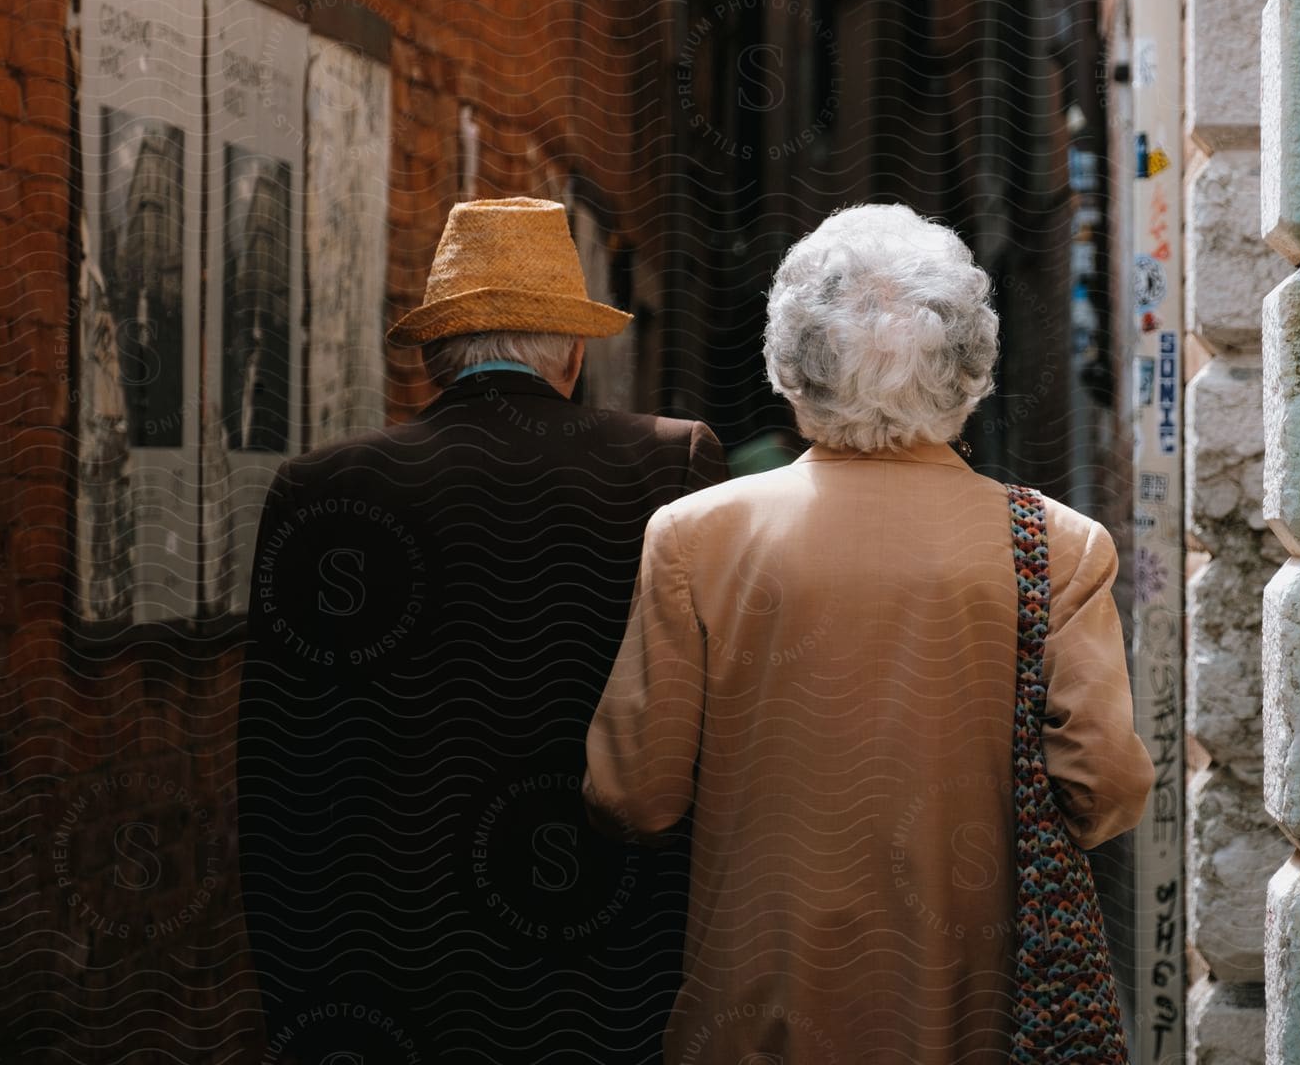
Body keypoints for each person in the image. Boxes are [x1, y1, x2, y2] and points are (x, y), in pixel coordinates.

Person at [585, 202, 1154, 1064]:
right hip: (981, 1020)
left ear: (793, 369)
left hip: (755, 1017)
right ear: (969, 370)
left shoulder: (694, 536)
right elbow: (1104, 788)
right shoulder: (1060, 547)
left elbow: (638, 795)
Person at [237, 196, 727, 1063]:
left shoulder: (321, 487)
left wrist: (296, 1010)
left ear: (432, 355)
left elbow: (283, 791)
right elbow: (706, 745)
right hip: (609, 973)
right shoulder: (669, 465)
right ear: (573, 350)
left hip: (387, 973)